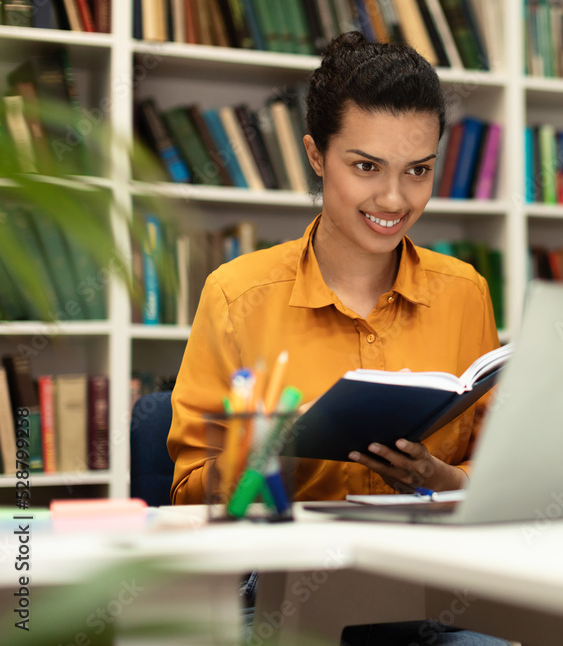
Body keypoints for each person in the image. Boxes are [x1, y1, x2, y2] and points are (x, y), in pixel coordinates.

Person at [166, 32, 505, 645]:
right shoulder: (237, 295)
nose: (394, 199)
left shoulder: (465, 292)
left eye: (418, 171)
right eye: (366, 167)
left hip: (429, 590)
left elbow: (504, 478)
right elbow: (189, 496)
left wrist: (436, 476)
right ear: (317, 156)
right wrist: (254, 465)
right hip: (279, 588)